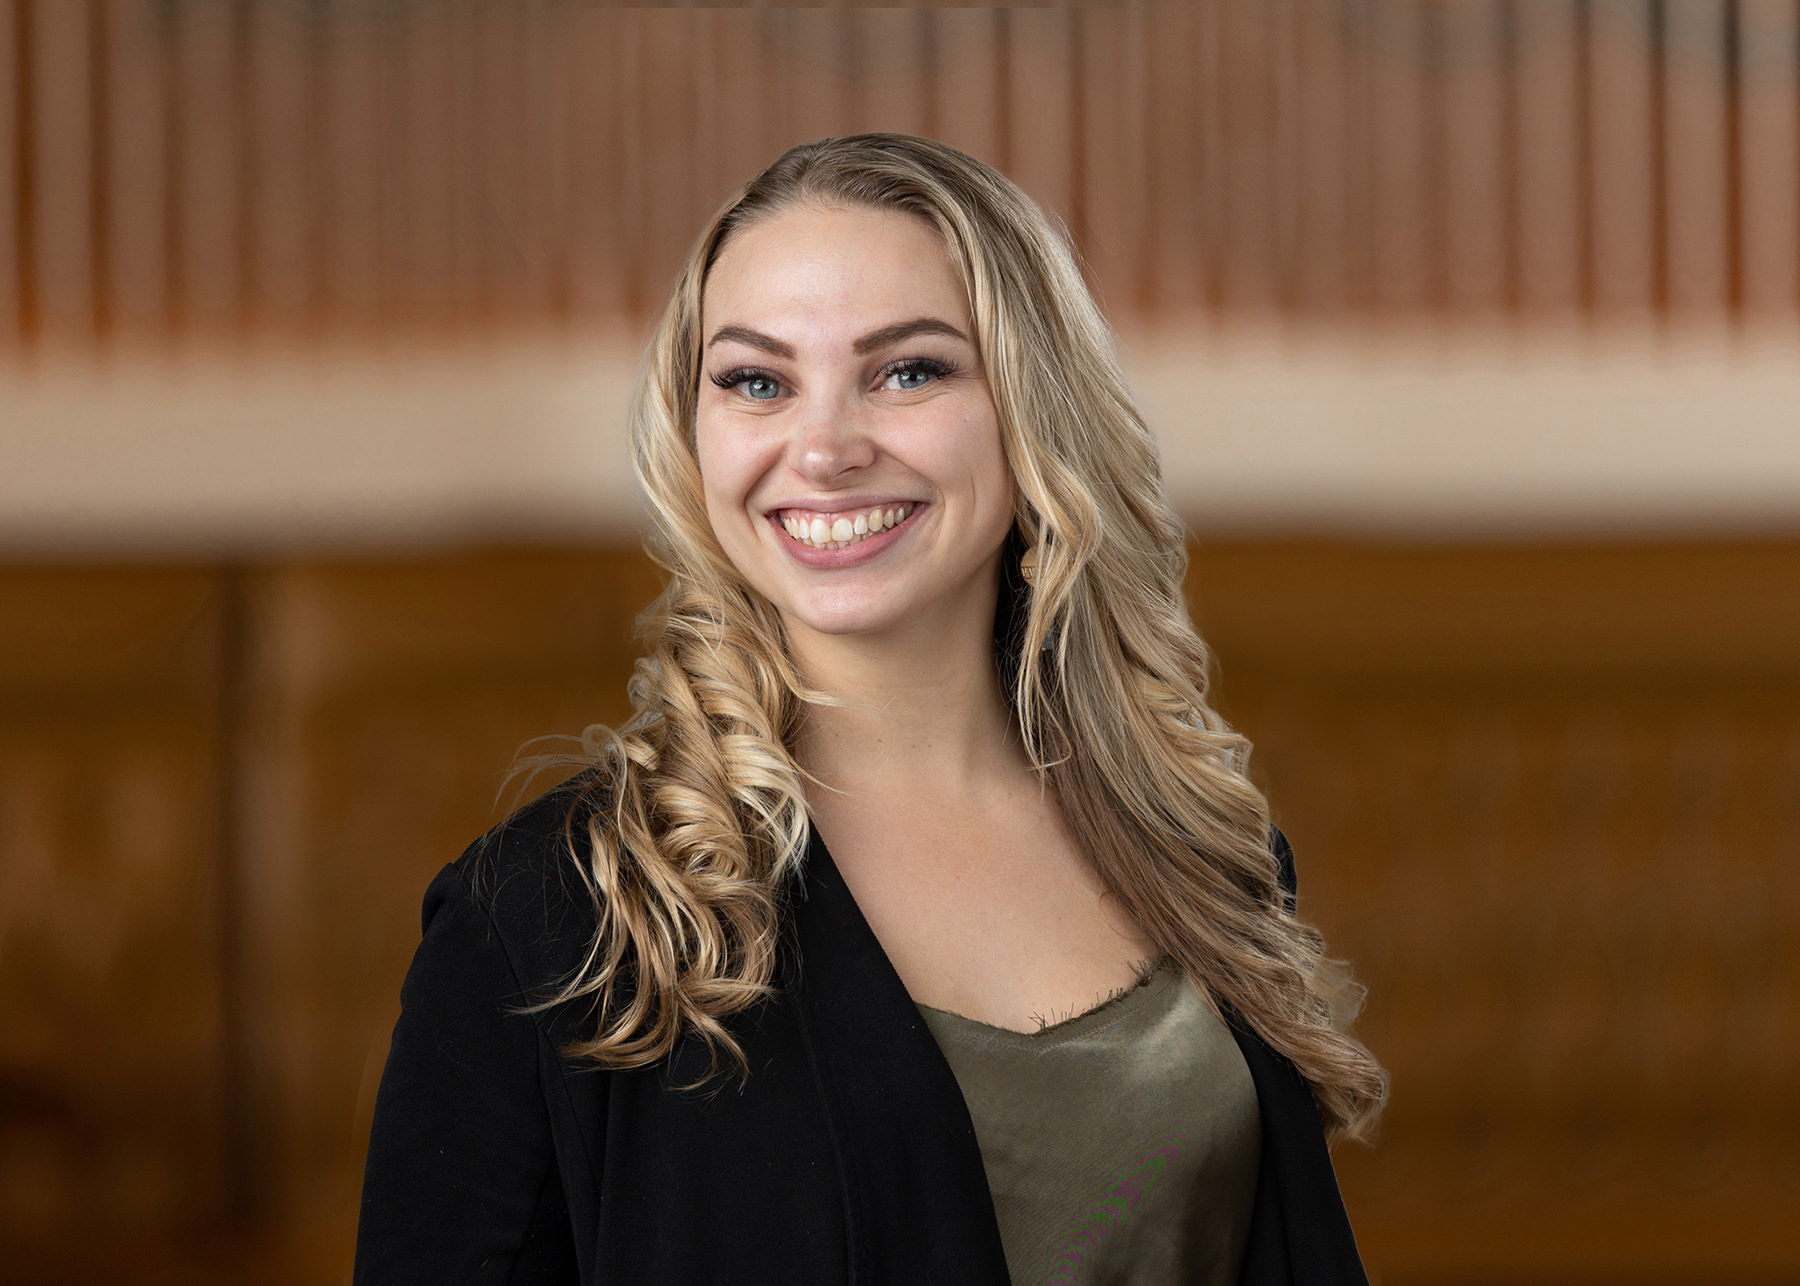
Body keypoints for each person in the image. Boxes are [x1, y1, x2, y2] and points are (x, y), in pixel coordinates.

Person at [354, 133, 1386, 1285]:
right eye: (757, 380)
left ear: (1032, 410)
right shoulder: (549, 919)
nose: (828, 447)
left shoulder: (1202, 846)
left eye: (909, 371)